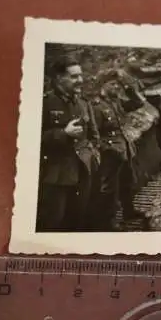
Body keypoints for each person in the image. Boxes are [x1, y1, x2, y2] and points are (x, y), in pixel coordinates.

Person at [36, 54, 100, 232]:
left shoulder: (81, 103)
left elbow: (93, 135)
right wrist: (63, 133)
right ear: (58, 78)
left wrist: (94, 154)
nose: (80, 80)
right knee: (54, 223)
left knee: (78, 221)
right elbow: (31, 138)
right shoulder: (45, 103)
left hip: (83, 170)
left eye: (80, 75)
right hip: (56, 175)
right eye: (74, 77)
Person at [89, 69, 147, 231]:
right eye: (113, 84)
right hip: (110, 153)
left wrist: (127, 86)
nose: (116, 87)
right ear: (103, 85)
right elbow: (94, 133)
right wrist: (107, 149)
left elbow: (139, 103)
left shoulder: (117, 102)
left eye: (117, 84)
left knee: (127, 182)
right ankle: (110, 221)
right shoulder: (96, 106)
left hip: (124, 148)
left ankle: (129, 211)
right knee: (109, 188)